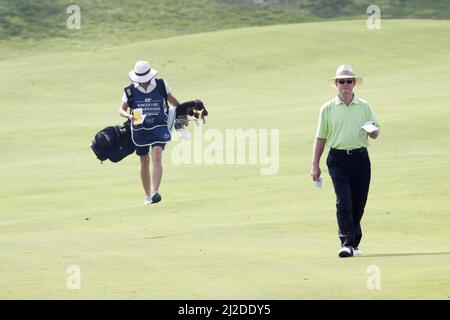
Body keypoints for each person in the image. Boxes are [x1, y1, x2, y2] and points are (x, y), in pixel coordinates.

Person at [311, 65, 380, 258]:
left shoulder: (364, 106)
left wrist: (370, 129)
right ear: (336, 84)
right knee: (344, 201)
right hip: (337, 158)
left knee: (359, 202)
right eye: (341, 81)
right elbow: (321, 138)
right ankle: (347, 243)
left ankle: (354, 241)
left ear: (354, 84)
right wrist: (315, 164)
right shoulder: (327, 108)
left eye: (349, 81)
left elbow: (375, 133)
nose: (345, 85)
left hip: (360, 157)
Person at [119, 60, 180, 205]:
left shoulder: (160, 84)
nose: (143, 82)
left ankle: (155, 192)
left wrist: (183, 111)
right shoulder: (129, 90)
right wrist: (129, 116)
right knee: (144, 161)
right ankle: (147, 196)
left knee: (157, 156)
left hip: (159, 126)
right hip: (140, 129)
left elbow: (173, 101)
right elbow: (121, 110)